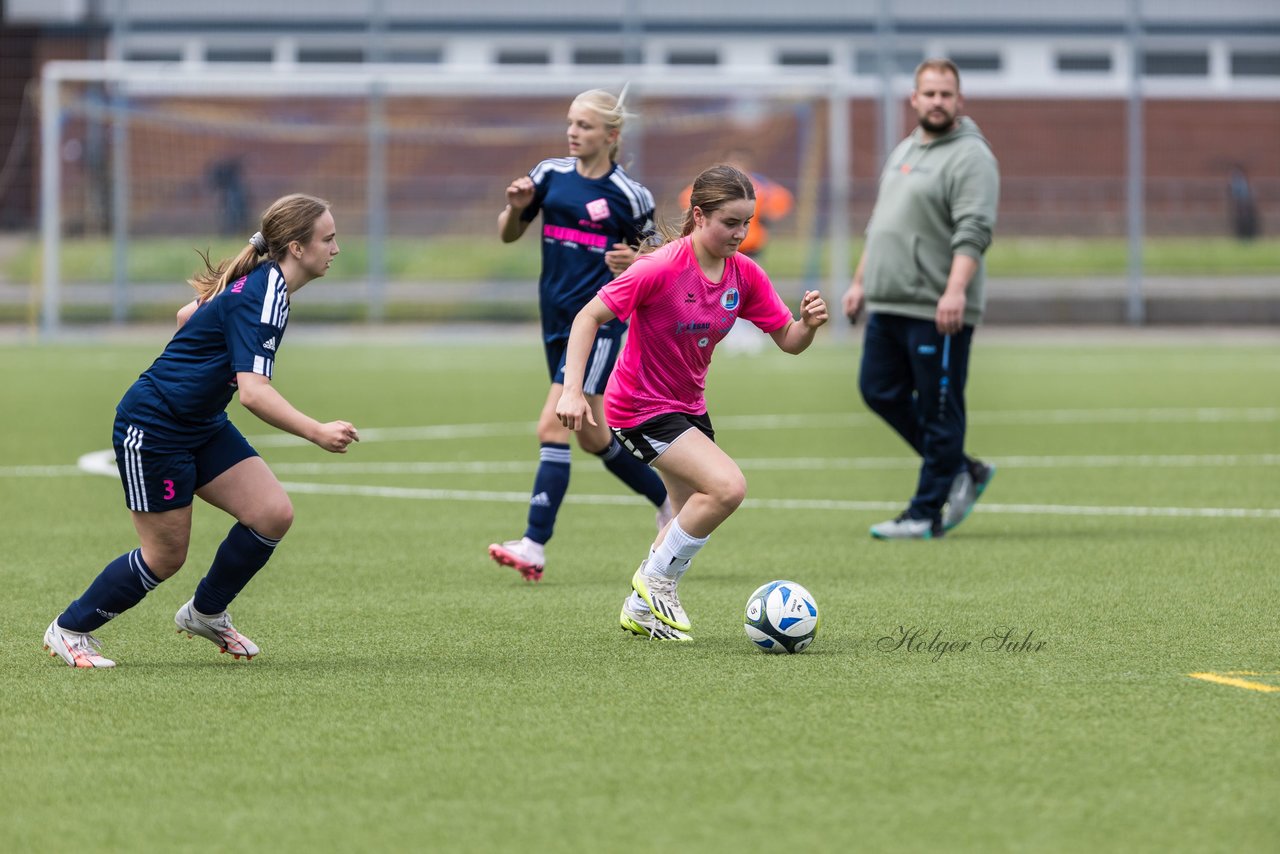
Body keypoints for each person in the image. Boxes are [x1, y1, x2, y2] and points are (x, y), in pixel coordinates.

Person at [42, 194, 359, 668]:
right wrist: (316, 431)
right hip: (154, 427)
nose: (335, 248)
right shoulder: (265, 291)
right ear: (295, 247)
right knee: (165, 556)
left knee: (271, 513)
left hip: (200, 422)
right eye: (328, 239)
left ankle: (206, 612)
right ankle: (70, 628)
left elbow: (186, 317)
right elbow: (253, 392)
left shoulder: (263, 283)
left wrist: (200, 363)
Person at [556, 164, 828, 641]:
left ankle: (640, 610)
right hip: (638, 408)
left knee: (684, 513)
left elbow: (788, 339)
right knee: (727, 488)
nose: (741, 234)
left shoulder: (743, 274)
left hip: (687, 408)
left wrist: (808, 324)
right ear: (699, 217)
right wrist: (574, 391)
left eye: (747, 222)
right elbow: (587, 317)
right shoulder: (659, 268)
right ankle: (655, 580)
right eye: (731, 223)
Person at [487, 88, 672, 582]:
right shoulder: (549, 175)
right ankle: (669, 500)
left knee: (552, 425)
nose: (573, 132)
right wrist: (515, 206)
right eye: (570, 123)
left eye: (585, 126)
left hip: (598, 324)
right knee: (593, 435)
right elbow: (508, 233)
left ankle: (533, 545)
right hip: (554, 322)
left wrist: (634, 261)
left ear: (611, 136)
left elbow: (661, 262)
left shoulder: (630, 195)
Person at [841, 58, 999, 540]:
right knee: (878, 390)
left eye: (945, 94)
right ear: (914, 98)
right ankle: (962, 469)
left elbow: (974, 230)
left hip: (937, 307)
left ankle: (925, 513)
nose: (936, 101)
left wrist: (954, 291)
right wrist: (860, 282)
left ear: (959, 100)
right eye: (928, 93)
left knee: (939, 407)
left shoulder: (972, 157)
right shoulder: (907, 149)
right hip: (889, 303)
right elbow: (881, 223)